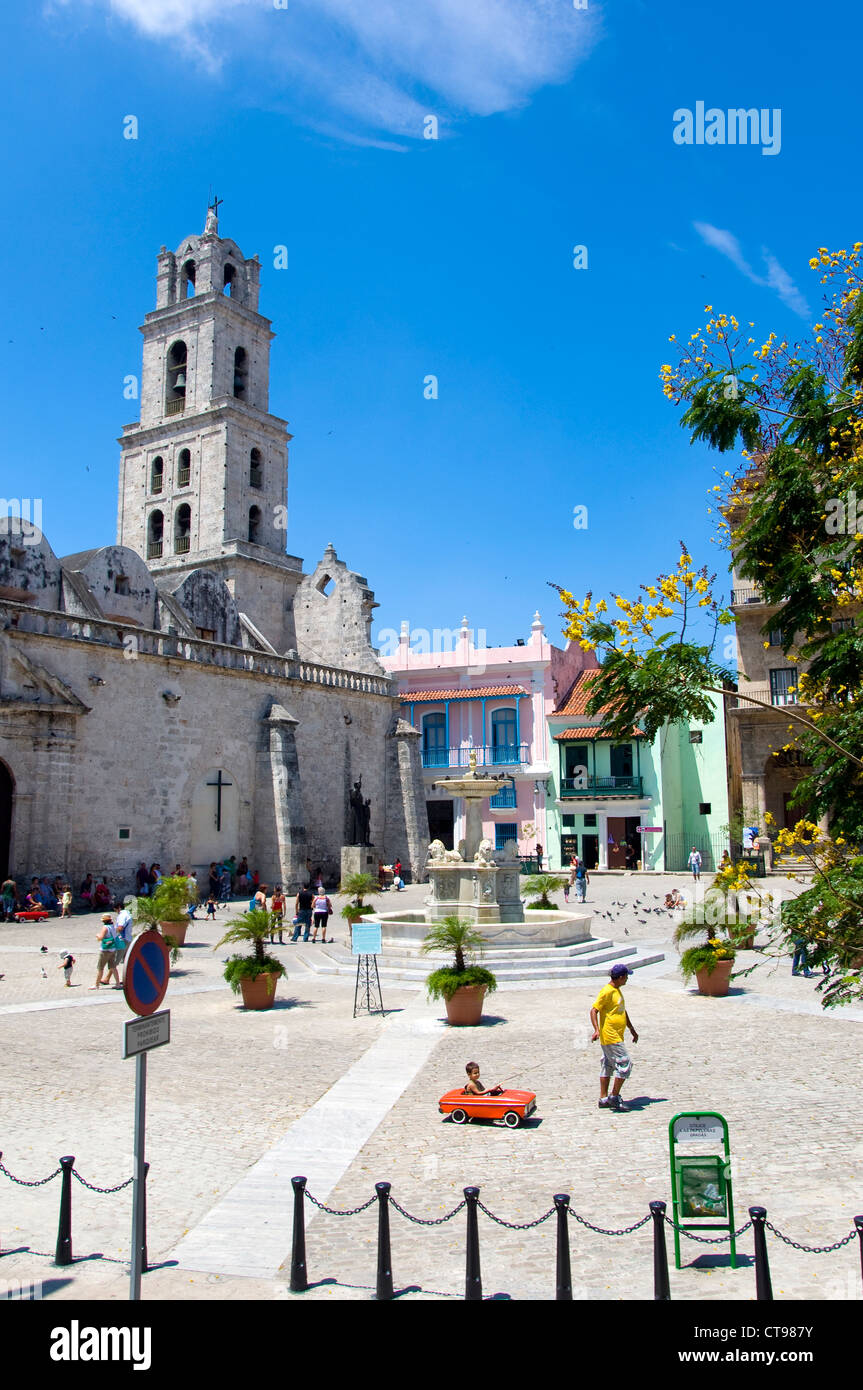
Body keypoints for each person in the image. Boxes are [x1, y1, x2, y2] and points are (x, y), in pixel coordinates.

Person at [590, 964, 639, 1112]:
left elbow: (622, 1011)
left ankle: (603, 1099)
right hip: (610, 1036)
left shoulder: (617, 991)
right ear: (620, 977)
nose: (627, 979)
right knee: (625, 1064)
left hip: (617, 1034)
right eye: (626, 977)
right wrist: (596, 1030)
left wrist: (631, 1029)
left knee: (608, 1065)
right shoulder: (607, 991)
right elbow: (594, 1010)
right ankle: (614, 1097)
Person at [90, 914, 122, 990]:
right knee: (113, 967)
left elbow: (101, 938)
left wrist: (97, 935)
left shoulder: (105, 927)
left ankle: (96, 985)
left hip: (105, 951)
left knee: (100, 968)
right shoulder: (113, 927)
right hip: (113, 949)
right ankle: (118, 984)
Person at [115, 900, 134, 982]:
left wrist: (113, 933)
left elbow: (120, 927)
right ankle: (128, 978)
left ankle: (107, 979)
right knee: (126, 960)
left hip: (123, 939)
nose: (116, 912)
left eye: (115, 910)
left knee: (115, 960)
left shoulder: (122, 915)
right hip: (128, 938)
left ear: (119, 908)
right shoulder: (128, 914)